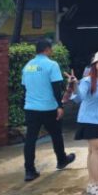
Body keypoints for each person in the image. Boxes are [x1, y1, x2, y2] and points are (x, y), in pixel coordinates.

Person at [21, 39, 75, 182]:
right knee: (56, 135)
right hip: (49, 107)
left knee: (30, 139)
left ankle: (29, 171)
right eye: (51, 49)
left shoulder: (27, 66)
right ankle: (61, 160)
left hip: (30, 108)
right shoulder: (52, 65)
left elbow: (24, 88)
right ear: (47, 49)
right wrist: (60, 106)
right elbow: (56, 88)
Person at [66, 51, 98, 195]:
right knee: (97, 150)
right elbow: (78, 98)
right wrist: (75, 84)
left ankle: (92, 183)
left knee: (93, 151)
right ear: (95, 64)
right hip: (89, 119)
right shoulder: (87, 81)